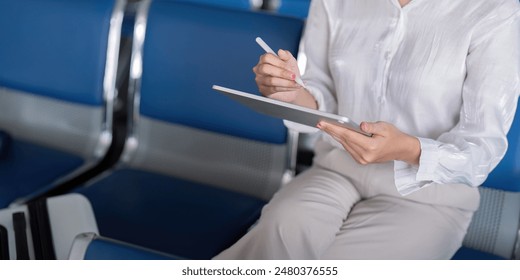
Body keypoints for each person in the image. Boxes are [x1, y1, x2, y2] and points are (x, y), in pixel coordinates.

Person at [214, 0, 520, 259]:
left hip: (428, 195)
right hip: (336, 169)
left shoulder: (496, 10)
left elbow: (482, 147)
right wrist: (290, 93)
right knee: (278, 233)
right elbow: (321, 92)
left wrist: (407, 149)